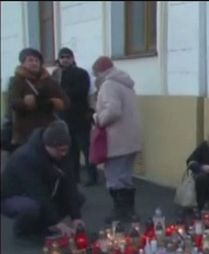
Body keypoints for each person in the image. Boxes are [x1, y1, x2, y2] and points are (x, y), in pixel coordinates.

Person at [1, 120, 85, 239]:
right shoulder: (26, 158)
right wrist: (58, 223)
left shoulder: (62, 154)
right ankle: (22, 229)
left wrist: (76, 217)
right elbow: (37, 192)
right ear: (48, 146)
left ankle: (44, 226)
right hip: (12, 196)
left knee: (78, 198)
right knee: (31, 207)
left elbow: (69, 184)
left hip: (41, 192)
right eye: (60, 150)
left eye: (66, 150)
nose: (64, 154)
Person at [92, 56, 143, 223]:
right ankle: (130, 212)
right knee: (126, 176)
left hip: (116, 138)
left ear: (99, 71)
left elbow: (113, 110)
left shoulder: (109, 84)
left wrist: (98, 118)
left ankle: (121, 213)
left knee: (115, 177)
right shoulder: (125, 83)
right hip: (130, 138)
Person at [7, 47, 69, 152]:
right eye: (30, 60)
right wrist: (27, 103)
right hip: (25, 133)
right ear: (23, 63)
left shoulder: (49, 81)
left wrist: (52, 103)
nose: (34, 63)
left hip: (47, 132)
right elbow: (13, 103)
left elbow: (66, 101)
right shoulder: (17, 81)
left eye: (37, 60)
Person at [52, 47, 98, 186]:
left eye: (68, 57)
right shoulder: (56, 74)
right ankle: (74, 176)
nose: (65, 60)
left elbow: (81, 91)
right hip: (64, 117)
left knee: (86, 149)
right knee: (70, 151)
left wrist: (63, 93)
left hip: (80, 117)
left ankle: (92, 177)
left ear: (72, 59)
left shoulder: (81, 73)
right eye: (62, 57)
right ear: (59, 59)